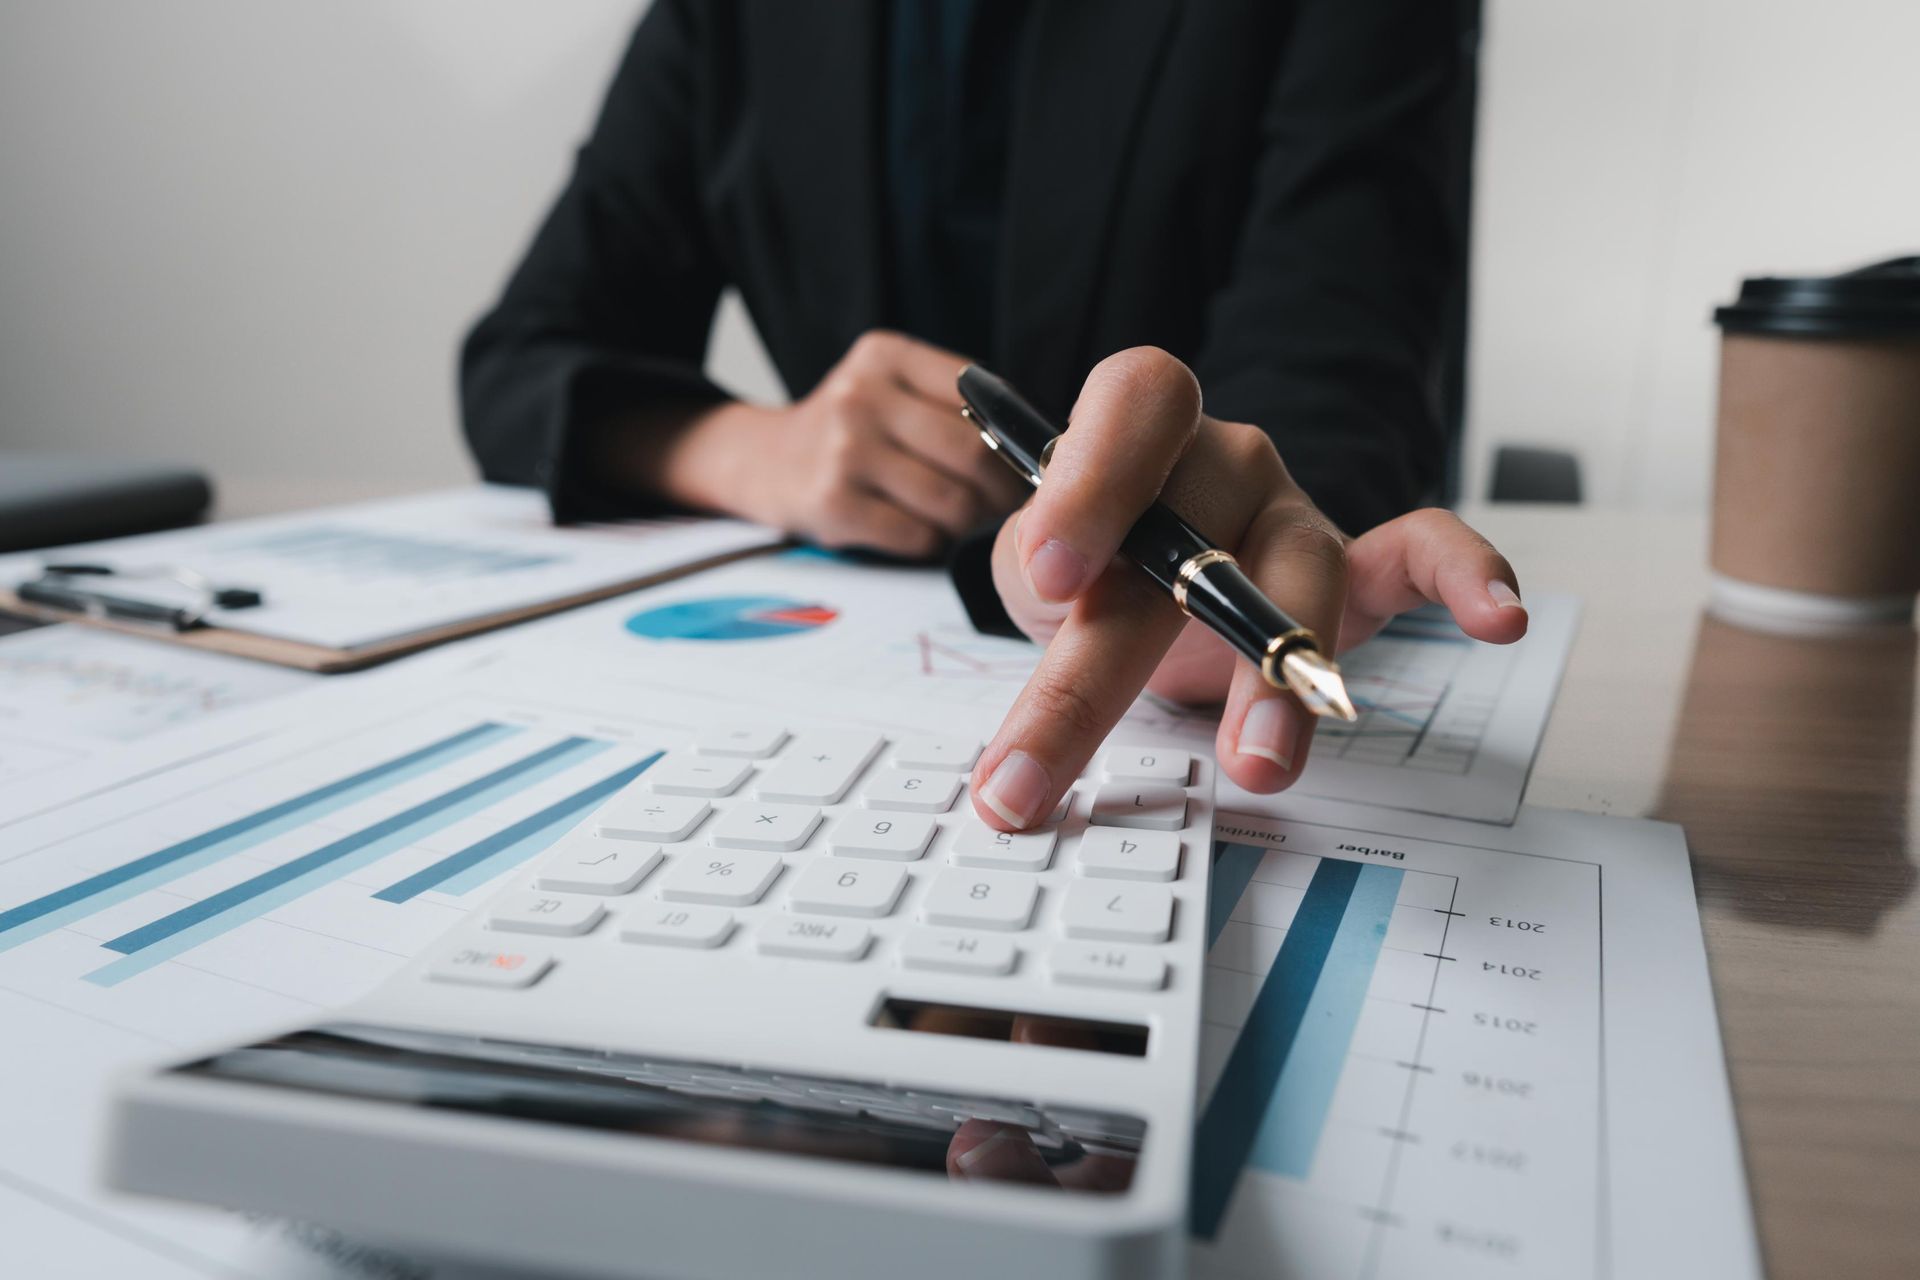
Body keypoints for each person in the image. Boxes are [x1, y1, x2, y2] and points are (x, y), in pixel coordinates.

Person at [460, 0, 1527, 830]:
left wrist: (1208, 531)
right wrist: (758, 450)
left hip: (1137, 601)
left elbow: (1340, 366)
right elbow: (518, 358)